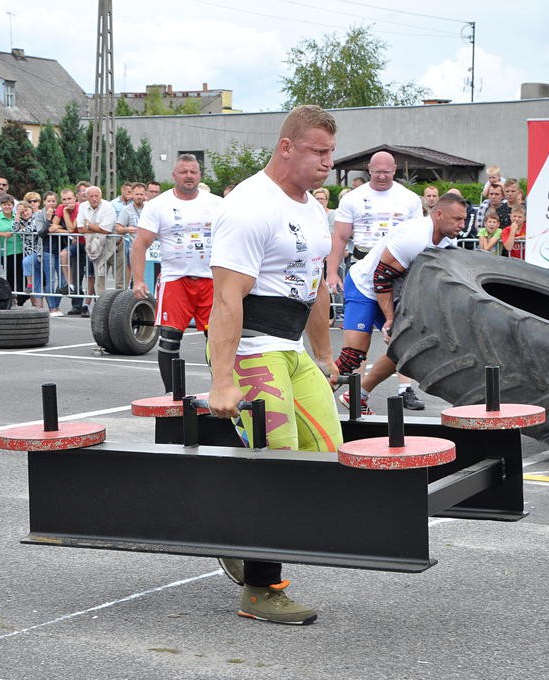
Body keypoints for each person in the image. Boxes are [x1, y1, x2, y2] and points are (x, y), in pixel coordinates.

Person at [207, 105, 341, 626]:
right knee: (276, 459)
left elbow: (316, 289)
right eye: (318, 151)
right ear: (286, 147)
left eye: (330, 152)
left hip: (290, 349)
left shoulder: (312, 209)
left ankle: (236, 538)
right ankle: (261, 590)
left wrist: (324, 355)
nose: (327, 162)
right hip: (250, 348)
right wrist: (223, 381)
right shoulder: (249, 206)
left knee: (328, 455)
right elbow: (226, 300)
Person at [335, 192, 468, 415]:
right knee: (351, 357)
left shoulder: (446, 243)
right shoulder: (415, 236)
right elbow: (381, 277)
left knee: (405, 348)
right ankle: (307, 400)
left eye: (464, 219)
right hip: (364, 287)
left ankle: (357, 396)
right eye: (457, 219)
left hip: (392, 292)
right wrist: (389, 318)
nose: (462, 225)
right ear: (438, 214)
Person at [325, 150, 425, 410]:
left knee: (404, 342)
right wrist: (332, 271)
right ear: (369, 169)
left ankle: (381, 392)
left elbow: (418, 237)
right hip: (363, 271)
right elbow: (340, 237)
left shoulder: (409, 199)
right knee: (354, 352)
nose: (381, 176)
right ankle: (321, 395)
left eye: (387, 172)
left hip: (395, 276)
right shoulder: (354, 198)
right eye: (377, 171)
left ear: (395, 171)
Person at [130, 154, 222, 392]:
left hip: (211, 280)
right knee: (170, 338)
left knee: (217, 340)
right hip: (175, 280)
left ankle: (221, 390)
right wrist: (138, 280)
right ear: (174, 176)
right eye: (184, 172)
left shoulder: (216, 203)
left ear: (200, 175)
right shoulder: (157, 205)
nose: (189, 176)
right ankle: (172, 394)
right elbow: (140, 243)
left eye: (193, 171)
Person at [78, 185, 119, 306]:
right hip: (94, 247)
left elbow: (107, 230)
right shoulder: (83, 206)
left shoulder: (107, 206)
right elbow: (80, 229)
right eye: (91, 196)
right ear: (87, 197)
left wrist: (90, 226)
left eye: (97, 196)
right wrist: (98, 228)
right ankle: (101, 306)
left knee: (119, 279)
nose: (94, 198)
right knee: (99, 277)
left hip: (113, 246)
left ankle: (118, 306)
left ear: (101, 196)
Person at [0, 194, 26, 305]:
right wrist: (2, 234)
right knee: (10, 276)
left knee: (21, 276)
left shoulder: (16, 216)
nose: (7, 207)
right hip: (6, 252)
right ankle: (10, 298)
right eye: (4, 205)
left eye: (9, 204)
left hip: (19, 250)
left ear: (13, 205)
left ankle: (21, 299)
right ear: (1, 206)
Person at [54, 189, 87, 316]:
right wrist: (68, 232)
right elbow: (53, 227)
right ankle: (71, 288)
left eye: (70, 199)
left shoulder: (80, 208)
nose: (67, 202)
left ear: (75, 199)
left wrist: (66, 214)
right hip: (76, 243)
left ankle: (86, 305)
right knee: (66, 257)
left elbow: (72, 227)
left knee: (90, 275)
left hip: (88, 243)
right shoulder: (60, 207)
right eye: (64, 199)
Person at [35, 191, 65, 316]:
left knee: (63, 281)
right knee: (51, 280)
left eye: (53, 201)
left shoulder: (60, 212)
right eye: (49, 201)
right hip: (47, 250)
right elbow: (41, 233)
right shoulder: (39, 214)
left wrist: (57, 228)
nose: (51, 203)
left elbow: (66, 228)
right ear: (44, 202)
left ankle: (56, 305)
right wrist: (48, 219)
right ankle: (52, 307)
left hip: (61, 249)